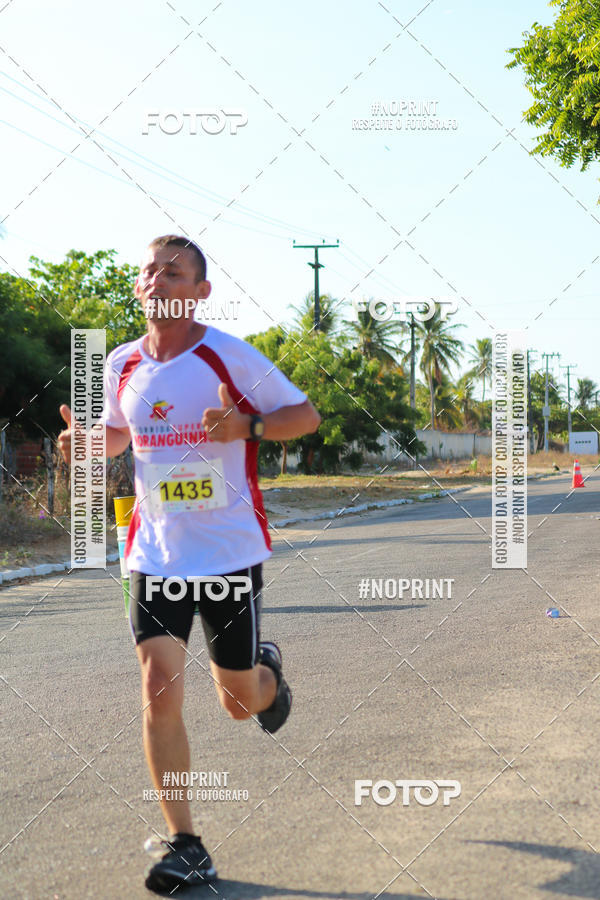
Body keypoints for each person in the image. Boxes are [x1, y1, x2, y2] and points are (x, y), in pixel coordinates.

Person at [58, 235, 321, 891]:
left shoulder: (226, 355)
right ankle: (186, 844)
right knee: (158, 687)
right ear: (141, 287)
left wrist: (247, 429)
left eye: (175, 272)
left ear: (201, 291)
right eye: (150, 270)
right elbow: (122, 431)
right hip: (155, 552)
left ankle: (267, 675)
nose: (158, 279)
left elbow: (304, 415)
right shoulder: (122, 362)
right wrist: (91, 443)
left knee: (237, 701)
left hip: (229, 551)